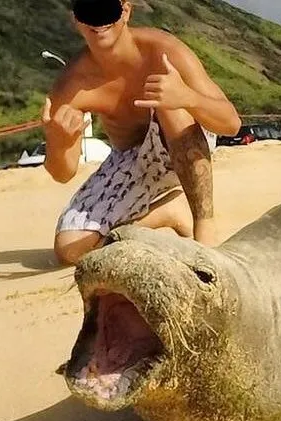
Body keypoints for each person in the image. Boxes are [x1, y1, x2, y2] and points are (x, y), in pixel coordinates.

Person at [42, 0, 241, 266]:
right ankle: (167, 212)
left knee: (168, 103)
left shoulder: (163, 51)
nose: (99, 23)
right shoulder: (72, 85)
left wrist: (188, 97)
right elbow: (62, 172)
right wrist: (59, 141)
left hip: (185, 142)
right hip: (129, 159)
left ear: (125, 11)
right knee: (69, 250)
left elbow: (231, 123)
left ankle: (204, 225)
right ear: (76, 20)